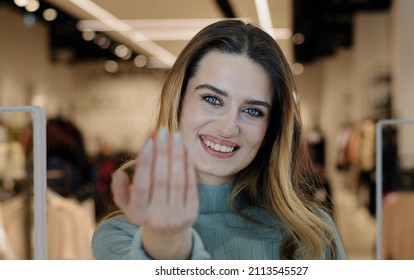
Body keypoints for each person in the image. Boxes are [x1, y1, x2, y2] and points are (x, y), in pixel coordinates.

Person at [91, 19, 346, 260]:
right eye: (212, 100)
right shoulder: (120, 236)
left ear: (271, 129)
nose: (227, 128)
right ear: (178, 100)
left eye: (253, 111)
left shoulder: (313, 234)